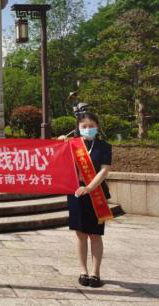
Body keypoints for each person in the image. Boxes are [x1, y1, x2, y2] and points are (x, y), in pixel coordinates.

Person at [59, 112, 111, 288]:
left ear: (97, 127)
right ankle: (83, 271)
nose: (88, 129)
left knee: (95, 235)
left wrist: (89, 188)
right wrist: (59, 143)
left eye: (91, 126)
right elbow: (57, 160)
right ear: (78, 128)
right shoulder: (71, 144)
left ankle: (95, 273)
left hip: (97, 193)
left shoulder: (104, 146)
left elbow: (104, 170)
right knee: (81, 235)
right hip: (76, 193)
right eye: (84, 126)